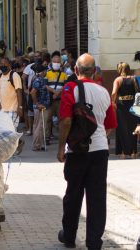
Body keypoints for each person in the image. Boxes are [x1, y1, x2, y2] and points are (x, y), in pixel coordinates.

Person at [57, 53, 117, 250]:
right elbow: (109, 125)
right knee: (97, 197)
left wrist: (60, 147)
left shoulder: (70, 88)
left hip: (77, 151)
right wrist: (98, 139)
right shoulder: (103, 91)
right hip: (100, 151)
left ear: (76, 70)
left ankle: (70, 237)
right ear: (94, 71)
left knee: (73, 195)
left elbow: (66, 120)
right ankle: (94, 242)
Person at [0, 57, 24, 153]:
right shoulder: (0, 76)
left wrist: (20, 107)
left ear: (9, 65)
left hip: (13, 108)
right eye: (1, 64)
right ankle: (19, 142)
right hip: (3, 109)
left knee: (9, 131)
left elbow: (19, 91)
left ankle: (10, 150)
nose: (3, 66)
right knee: (5, 131)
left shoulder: (14, 75)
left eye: (5, 64)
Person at [112, 62, 138, 159]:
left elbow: (114, 92)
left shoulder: (118, 79)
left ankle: (123, 152)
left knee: (122, 128)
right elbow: (137, 92)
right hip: (132, 105)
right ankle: (134, 152)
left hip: (122, 106)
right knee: (133, 128)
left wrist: (113, 102)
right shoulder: (133, 79)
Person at [46, 51, 68, 145]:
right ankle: (47, 138)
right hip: (50, 100)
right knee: (47, 119)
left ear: (60, 63)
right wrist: (54, 92)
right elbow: (45, 85)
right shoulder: (48, 73)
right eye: (55, 62)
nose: (56, 64)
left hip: (60, 101)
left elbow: (66, 86)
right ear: (51, 62)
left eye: (58, 62)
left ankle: (62, 138)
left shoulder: (64, 74)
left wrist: (58, 92)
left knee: (61, 120)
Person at [30, 62, 50, 151]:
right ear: (42, 72)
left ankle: (39, 144)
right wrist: (37, 103)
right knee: (39, 126)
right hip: (40, 106)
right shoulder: (38, 80)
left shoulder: (38, 79)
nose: (46, 72)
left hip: (40, 106)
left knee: (39, 125)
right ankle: (37, 145)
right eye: (45, 70)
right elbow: (33, 92)